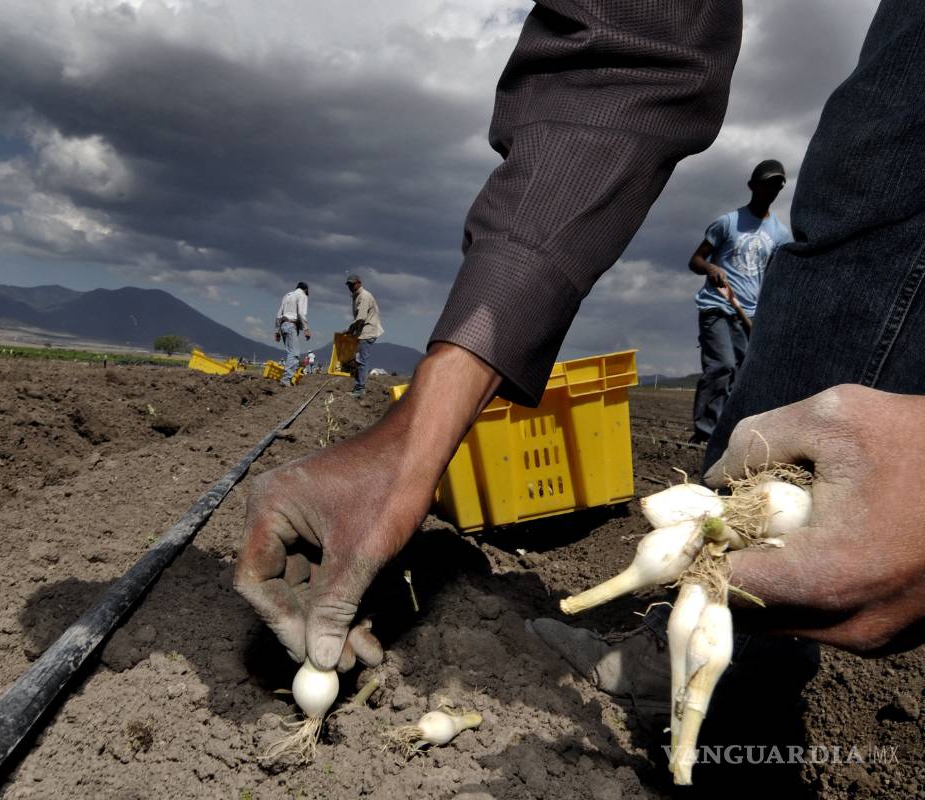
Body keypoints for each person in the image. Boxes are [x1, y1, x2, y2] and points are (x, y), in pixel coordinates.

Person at [235, 0, 925, 684]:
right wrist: (411, 442)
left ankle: (728, 660)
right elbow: (634, 41)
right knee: (881, 153)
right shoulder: (732, 223)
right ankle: (725, 656)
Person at [688, 160, 792, 443]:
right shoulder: (727, 223)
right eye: (767, 183)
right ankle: (705, 433)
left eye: (778, 184)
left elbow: (774, 277)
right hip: (717, 304)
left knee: (741, 376)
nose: (773, 188)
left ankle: (727, 433)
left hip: (750, 312)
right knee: (722, 365)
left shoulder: (781, 234)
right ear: (752, 186)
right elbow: (695, 260)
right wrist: (711, 268)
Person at [343, 274, 383, 397]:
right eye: (349, 284)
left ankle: (360, 388)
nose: (350, 286)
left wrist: (350, 330)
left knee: (362, 360)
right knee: (359, 359)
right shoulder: (357, 296)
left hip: (367, 331)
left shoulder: (364, 296)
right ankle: (358, 386)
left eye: (353, 284)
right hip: (363, 331)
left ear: (359, 283)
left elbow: (361, 318)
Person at [274, 281, 311, 387]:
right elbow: (301, 313)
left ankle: (286, 378)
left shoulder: (287, 295)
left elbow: (278, 314)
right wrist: (306, 329)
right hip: (291, 325)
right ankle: (286, 379)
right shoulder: (302, 295)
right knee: (295, 354)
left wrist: (277, 331)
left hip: (283, 325)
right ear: (306, 290)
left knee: (290, 353)